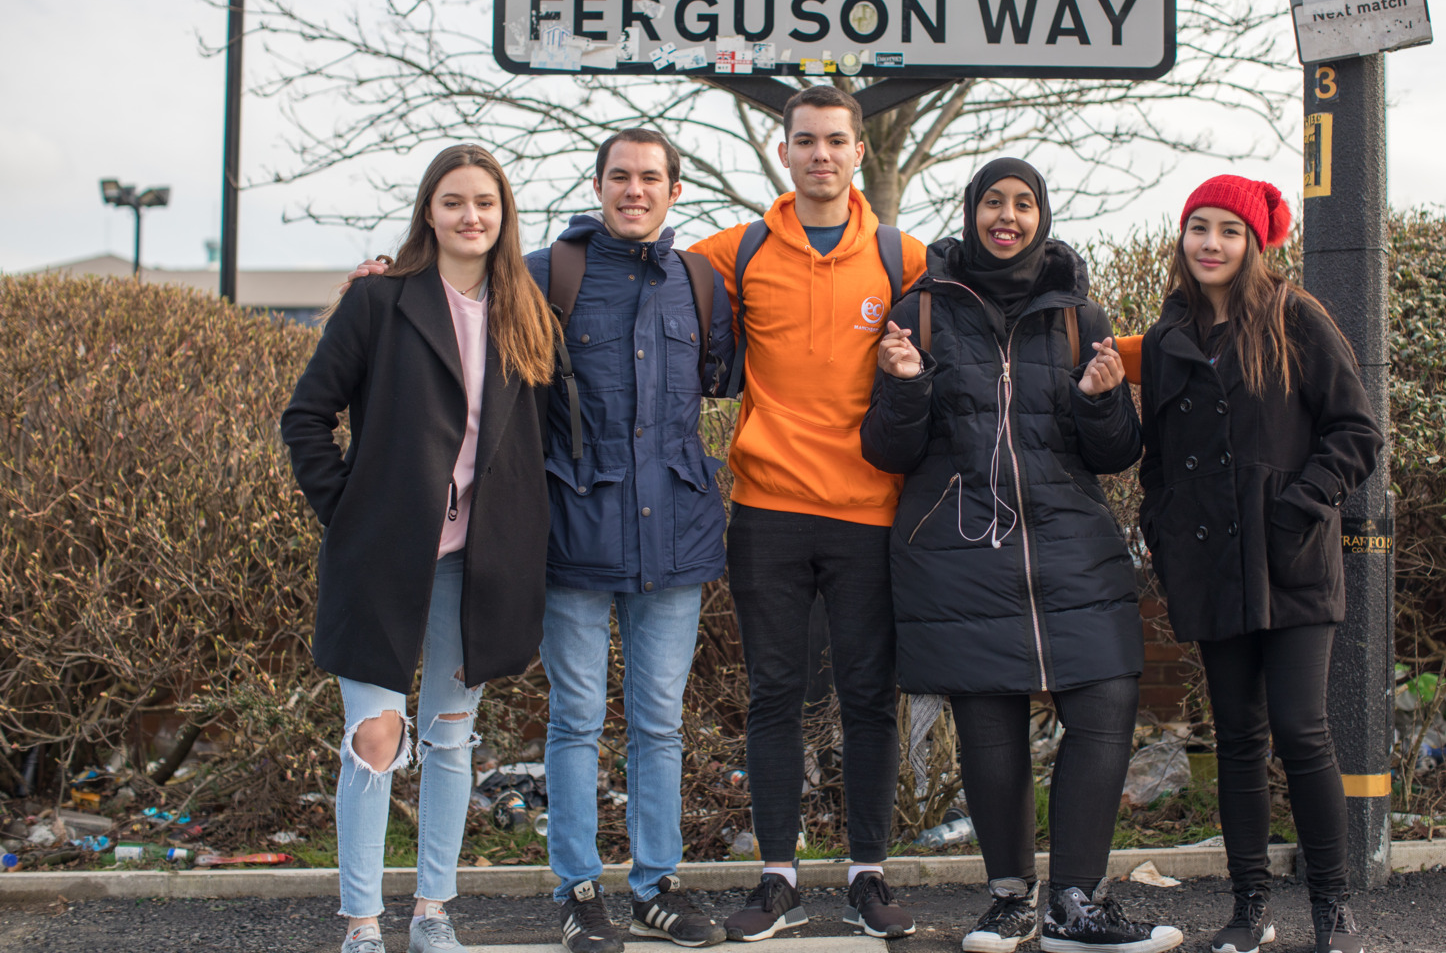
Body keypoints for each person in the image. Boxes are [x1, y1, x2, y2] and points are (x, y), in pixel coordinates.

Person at [345, 129, 735, 953]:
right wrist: (384, 281)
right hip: (573, 533)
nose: (634, 190)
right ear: (598, 185)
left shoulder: (701, 283)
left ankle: (657, 885)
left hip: (676, 537)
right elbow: (451, 304)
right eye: (619, 176)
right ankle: (579, 889)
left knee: (661, 723)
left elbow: (726, 376)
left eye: (651, 178)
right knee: (577, 719)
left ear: (675, 191)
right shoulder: (542, 277)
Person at [861, 158, 1185, 953]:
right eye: (994, 203)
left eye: (1023, 204)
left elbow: (1114, 454)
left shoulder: (1079, 315)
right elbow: (888, 450)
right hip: (961, 551)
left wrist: (1102, 400)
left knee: (1106, 705)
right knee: (990, 731)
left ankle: (1077, 903)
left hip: (1072, 545)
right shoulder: (921, 311)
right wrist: (904, 383)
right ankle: (1009, 900)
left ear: (1042, 216)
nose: (1007, 217)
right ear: (971, 211)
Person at [282, 144, 557, 953]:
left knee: (451, 736)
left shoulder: (528, 312)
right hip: (384, 558)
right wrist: (349, 511)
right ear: (428, 213)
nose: (471, 216)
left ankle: (433, 912)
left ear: (504, 215)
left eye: (486, 202)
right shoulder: (380, 301)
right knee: (376, 737)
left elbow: (542, 438)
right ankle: (362, 924)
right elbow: (307, 417)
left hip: (482, 563)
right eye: (454, 201)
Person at [687, 85, 928, 941]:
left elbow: (985, 322)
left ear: (858, 151)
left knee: (868, 697)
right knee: (775, 696)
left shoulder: (902, 256)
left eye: (835, 140)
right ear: (783, 150)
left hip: (869, 511)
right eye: (805, 141)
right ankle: (777, 878)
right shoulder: (740, 250)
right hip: (768, 508)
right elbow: (627, 268)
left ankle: (867, 875)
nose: (820, 154)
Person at [1136, 176, 1382, 953]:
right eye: (1199, 227)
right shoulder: (1168, 337)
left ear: (1253, 243)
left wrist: (1300, 504)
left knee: (1302, 730)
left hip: (1292, 559)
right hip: (1210, 565)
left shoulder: (1293, 314)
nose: (1210, 243)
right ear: (1183, 237)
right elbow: (1157, 461)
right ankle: (1248, 911)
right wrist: (1163, 533)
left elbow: (1356, 431)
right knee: (1236, 739)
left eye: (1228, 230)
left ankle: (1332, 908)